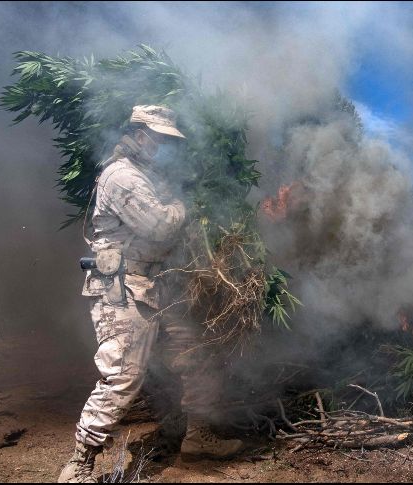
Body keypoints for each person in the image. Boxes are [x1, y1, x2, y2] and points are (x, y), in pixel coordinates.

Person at [58, 105, 244, 483]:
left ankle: (198, 438)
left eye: (166, 140)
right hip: (123, 288)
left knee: (194, 354)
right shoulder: (123, 176)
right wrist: (181, 206)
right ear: (139, 133)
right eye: (158, 138)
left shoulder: (146, 175)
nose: (162, 146)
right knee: (123, 375)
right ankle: (79, 466)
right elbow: (159, 226)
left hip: (155, 283)